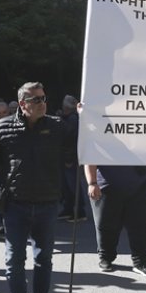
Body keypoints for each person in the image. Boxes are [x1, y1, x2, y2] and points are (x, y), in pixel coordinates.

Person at [0, 82, 75, 293]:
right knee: (14, 263)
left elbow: (80, 140)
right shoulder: (3, 127)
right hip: (15, 206)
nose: (43, 103)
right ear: (23, 104)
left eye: (44, 98)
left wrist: (83, 115)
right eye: (37, 100)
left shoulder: (56, 126)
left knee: (44, 262)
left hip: (48, 204)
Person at [84, 165, 146, 276]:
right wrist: (92, 183)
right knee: (106, 225)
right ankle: (106, 258)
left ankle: (142, 262)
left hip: (139, 185)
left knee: (141, 225)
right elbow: (90, 157)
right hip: (106, 184)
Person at [57, 95, 87, 223]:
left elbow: (70, 139)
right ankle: (68, 209)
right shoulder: (70, 118)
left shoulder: (73, 119)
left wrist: (69, 158)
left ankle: (80, 212)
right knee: (67, 185)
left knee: (73, 184)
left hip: (70, 157)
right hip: (66, 156)